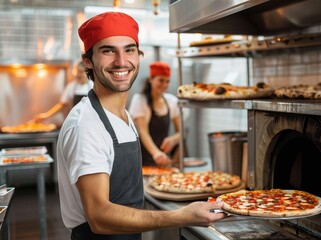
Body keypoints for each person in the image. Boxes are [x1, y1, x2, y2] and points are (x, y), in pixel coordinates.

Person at [56, 11, 226, 240]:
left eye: (129, 50)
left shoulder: (123, 116)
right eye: (108, 50)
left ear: (138, 56)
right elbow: (99, 217)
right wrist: (181, 216)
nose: (121, 61)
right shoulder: (86, 126)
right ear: (88, 60)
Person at [128, 61, 180, 167]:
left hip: (163, 160)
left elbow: (181, 132)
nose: (164, 85)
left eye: (167, 81)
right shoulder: (140, 100)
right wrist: (156, 153)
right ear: (151, 79)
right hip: (142, 161)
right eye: (161, 80)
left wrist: (173, 139)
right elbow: (143, 131)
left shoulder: (172, 101)